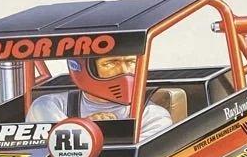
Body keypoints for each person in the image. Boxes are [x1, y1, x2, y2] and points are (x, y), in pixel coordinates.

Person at [27, 55, 172, 142]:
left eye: (131, 62)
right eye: (111, 63)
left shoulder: (154, 116)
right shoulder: (49, 106)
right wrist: (86, 127)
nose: (124, 71)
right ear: (85, 68)